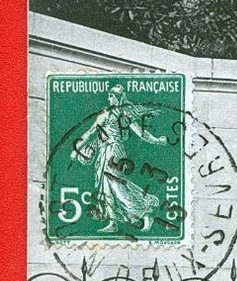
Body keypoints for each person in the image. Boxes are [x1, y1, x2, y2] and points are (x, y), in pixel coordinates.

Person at [71, 85, 167, 232]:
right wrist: (157, 140)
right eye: (109, 96)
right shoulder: (121, 114)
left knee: (116, 186)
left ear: (118, 98)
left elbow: (90, 132)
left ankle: (145, 214)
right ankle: (113, 221)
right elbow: (141, 133)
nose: (109, 98)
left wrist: (76, 149)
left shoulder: (112, 115)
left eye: (112, 96)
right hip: (110, 151)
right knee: (107, 186)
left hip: (112, 152)